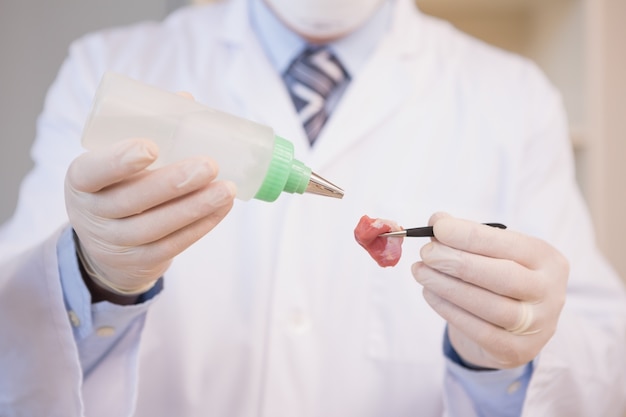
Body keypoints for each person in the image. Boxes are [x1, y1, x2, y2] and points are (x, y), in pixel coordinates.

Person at [1, 0, 625, 415]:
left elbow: (604, 369)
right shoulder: (109, 67)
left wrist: (507, 359)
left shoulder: (513, 96)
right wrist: (92, 279)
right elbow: (15, 358)